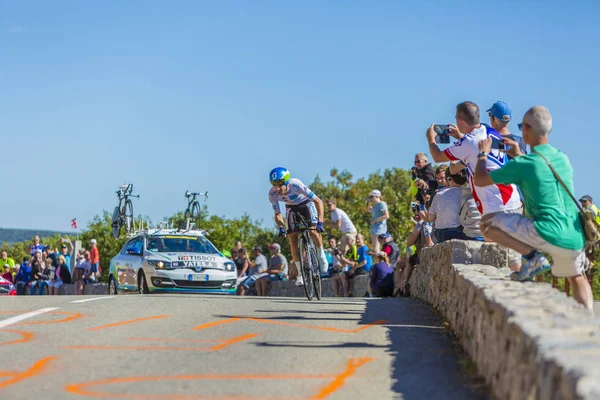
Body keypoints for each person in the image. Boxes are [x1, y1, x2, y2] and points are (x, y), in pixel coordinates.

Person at [474, 105, 593, 310]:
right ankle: (588, 321)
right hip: (574, 235)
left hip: (545, 230)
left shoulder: (525, 164)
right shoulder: (562, 158)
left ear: (527, 129)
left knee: (485, 223)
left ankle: (532, 257)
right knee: (576, 278)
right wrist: (518, 153)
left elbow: (481, 179)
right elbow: (538, 175)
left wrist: (483, 155)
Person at [426, 101, 522, 217]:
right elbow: (475, 147)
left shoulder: (468, 142)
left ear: (460, 119)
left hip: (496, 206)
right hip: (512, 199)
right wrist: (460, 137)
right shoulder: (491, 132)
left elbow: (437, 157)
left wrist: (431, 139)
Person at [268, 167, 329, 287]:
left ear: (286, 182)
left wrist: (320, 223)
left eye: (280, 184)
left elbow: (318, 202)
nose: (278, 188)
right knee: (292, 238)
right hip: (291, 208)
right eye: (274, 185)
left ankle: (321, 255)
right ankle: (300, 273)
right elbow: (277, 214)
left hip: (306, 204)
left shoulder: (296, 185)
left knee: (313, 232)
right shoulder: (272, 194)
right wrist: (281, 227)